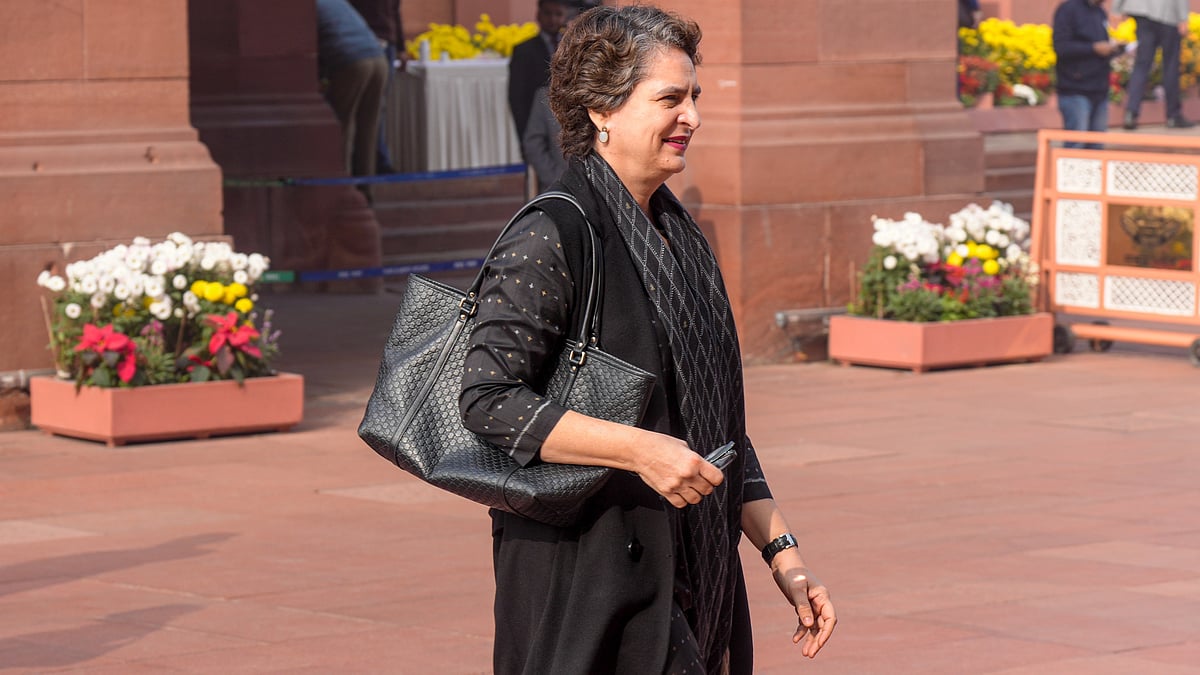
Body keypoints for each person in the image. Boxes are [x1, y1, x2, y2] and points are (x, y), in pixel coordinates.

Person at [460, 5, 836, 673]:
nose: (691, 115)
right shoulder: (553, 232)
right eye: (670, 97)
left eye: (694, 95)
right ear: (601, 109)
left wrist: (786, 555)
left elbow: (718, 424)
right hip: (590, 582)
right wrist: (639, 449)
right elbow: (489, 398)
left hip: (698, 575)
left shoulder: (681, 236)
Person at [315, 0, 389, 199]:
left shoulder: (306, 7)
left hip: (351, 61)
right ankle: (366, 192)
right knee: (368, 131)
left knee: (342, 127)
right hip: (378, 60)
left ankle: (343, 191)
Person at [1054, 0, 1126, 148]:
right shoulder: (1069, 10)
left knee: (1096, 147)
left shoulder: (1099, 12)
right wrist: (1093, 48)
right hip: (1075, 89)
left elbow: (1101, 47)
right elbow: (1062, 47)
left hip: (1099, 89)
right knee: (1076, 144)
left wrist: (1115, 49)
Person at [1114, 0, 1195, 129]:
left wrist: (1117, 8)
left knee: (1142, 64)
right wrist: (1183, 18)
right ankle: (1173, 116)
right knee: (1170, 66)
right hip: (1167, 13)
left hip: (1142, 10)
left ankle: (1131, 112)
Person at [347, 0, 405, 173]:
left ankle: (378, 160)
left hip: (387, 43)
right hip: (362, 40)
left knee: (378, 106)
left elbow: (395, 12)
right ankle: (371, 162)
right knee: (363, 107)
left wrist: (400, 47)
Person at [507, 0, 575, 142]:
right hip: (537, 122)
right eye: (547, 13)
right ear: (538, 15)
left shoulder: (573, 46)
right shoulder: (523, 50)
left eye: (558, 14)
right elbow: (517, 97)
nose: (552, 19)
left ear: (565, 16)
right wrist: (524, 135)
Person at [521, 85, 566, 194]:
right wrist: (558, 180)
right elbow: (533, 145)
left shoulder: (600, 93)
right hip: (560, 188)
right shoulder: (545, 96)